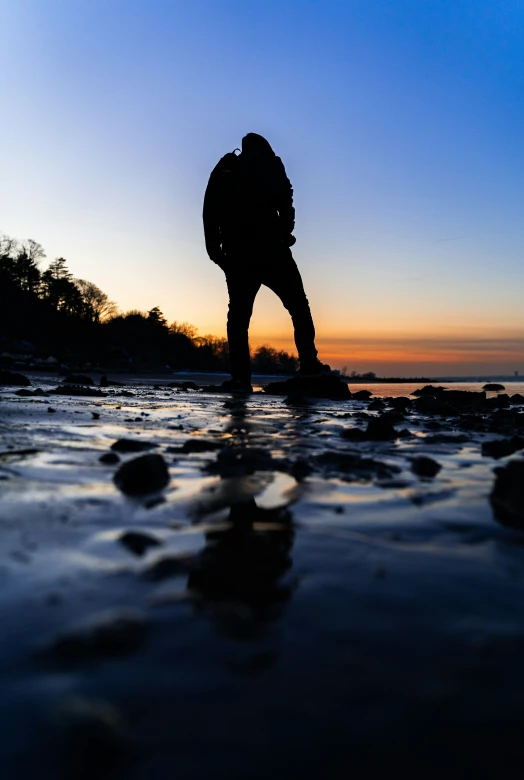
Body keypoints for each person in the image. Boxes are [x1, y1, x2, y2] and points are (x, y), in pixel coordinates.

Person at [203, 132, 330, 393]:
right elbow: (287, 199)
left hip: (240, 253)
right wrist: (285, 232)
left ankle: (241, 379)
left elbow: (209, 209)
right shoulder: (267, 165)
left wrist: (214, 250)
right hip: (270, 250)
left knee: (239, 317)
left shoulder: (228, 167)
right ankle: (308, 365)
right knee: (297, 307)